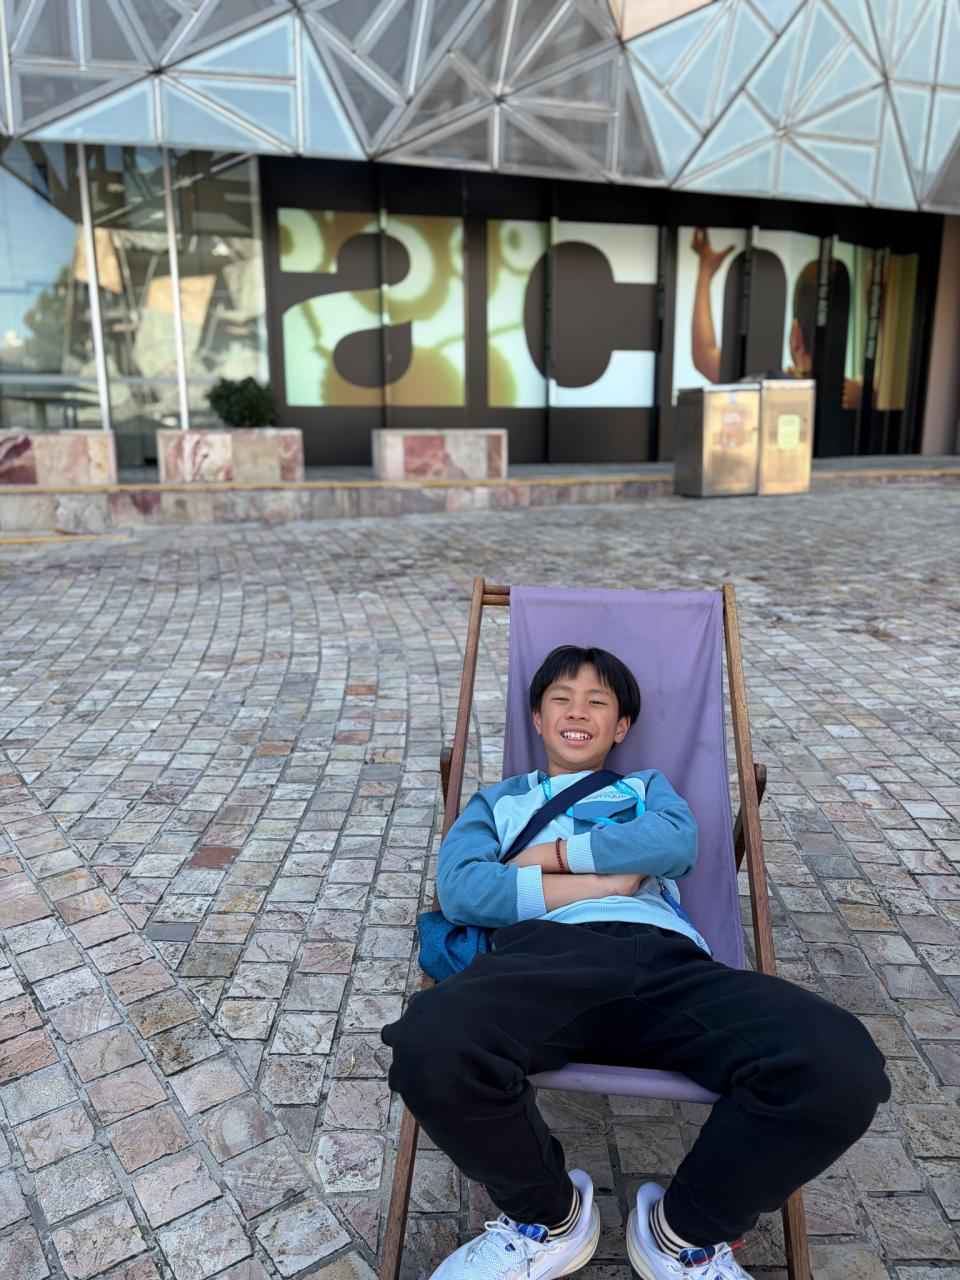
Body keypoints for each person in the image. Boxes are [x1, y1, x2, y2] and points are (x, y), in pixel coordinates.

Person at [382, 645, 890, 1280]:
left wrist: (550, 856)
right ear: (537, 718)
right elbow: (461, 889)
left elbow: (674, 842)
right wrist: (603, 882)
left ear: (620, 727)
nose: (577, 711)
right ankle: (548, 1218)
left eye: (597, 701)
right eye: (561, 699)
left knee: (840, 1064)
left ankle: (683, 1235)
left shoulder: (645, 787)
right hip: (544, 959)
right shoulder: (497, 802)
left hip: (667, 960)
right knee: (429, 1043)